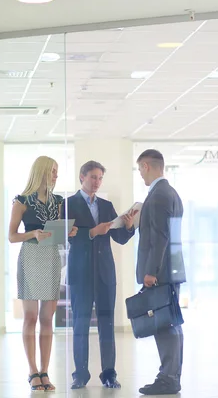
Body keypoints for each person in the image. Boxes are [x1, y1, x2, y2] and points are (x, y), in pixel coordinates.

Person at [65, 161, 138, 390]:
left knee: (107, 325)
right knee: (80, 325)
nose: (96, 182)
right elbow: (66, 237)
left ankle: (109, 374)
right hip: (81, 274)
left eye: (99, 178)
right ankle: (80, 375)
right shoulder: (68, 204)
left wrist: (127, 226)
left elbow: (120, 238)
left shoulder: (106, 205)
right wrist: (92, 232)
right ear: (82, 177)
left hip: (105, 274)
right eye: (93, 177)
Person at [8, 156, 78, 392]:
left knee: (48, 319)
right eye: (53, 171)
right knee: (30, 318)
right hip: (29, 258)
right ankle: (32, 372)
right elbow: (12, 236)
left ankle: (45, 372)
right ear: (41, 172)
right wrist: (33, 233)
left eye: (57, 172)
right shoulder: (21, 201)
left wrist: (68, 230)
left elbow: (55, 232)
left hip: (50, 258)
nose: (56, 176)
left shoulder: (58, 201)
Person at [135, 149, 186, 395]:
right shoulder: (171, 193)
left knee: (164, 325)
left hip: (161, 272)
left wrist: (151, 272)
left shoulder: (157, 196)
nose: (140, 175)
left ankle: (168, 378)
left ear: (146, 166)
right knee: (172, 323)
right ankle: (171, 376)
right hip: (172, 269)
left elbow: (160, 236)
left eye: (139, 170)